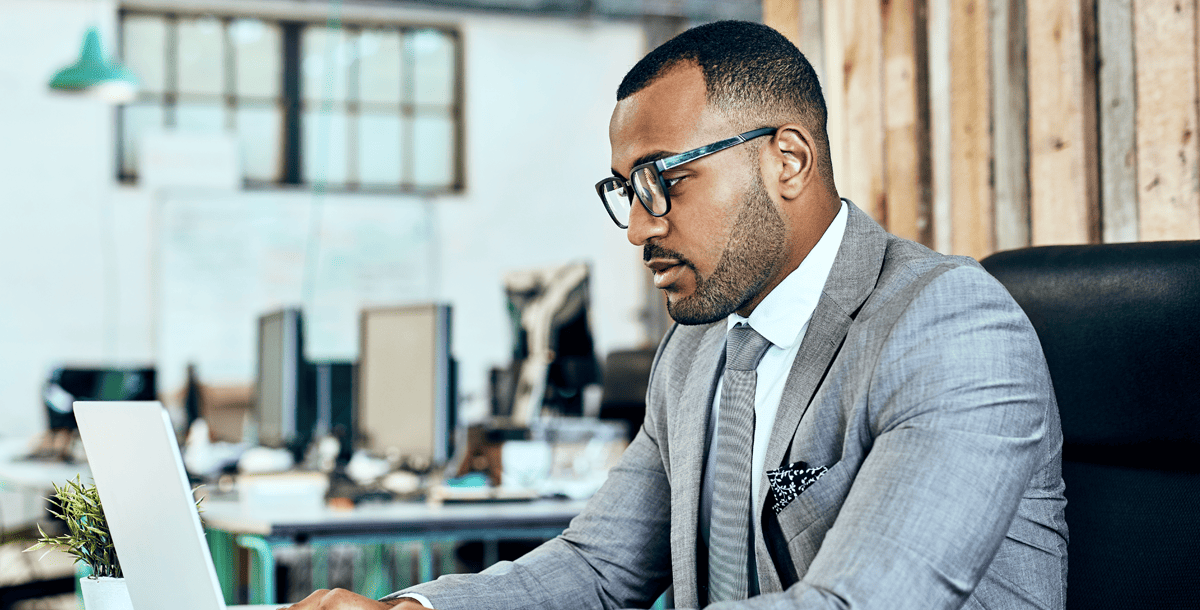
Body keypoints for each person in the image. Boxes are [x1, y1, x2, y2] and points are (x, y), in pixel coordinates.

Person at [285, 20, 1067, 610]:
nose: (638, 226)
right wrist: (416, 609)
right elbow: (598, 568)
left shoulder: (948, 326)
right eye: (627, 188)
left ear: (787, 160)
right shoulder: (697, 352)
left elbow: (854, 603)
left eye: (664, 180)